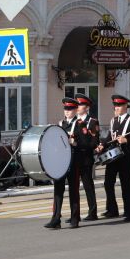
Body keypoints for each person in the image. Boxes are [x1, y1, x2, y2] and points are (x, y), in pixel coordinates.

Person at [46, 98, 91, 229]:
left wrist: (75, 143)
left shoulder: (80, 124)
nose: (67, 112)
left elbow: (87, 143)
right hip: (61, 162)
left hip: (74, 161)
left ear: (76, 110)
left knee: (73, 190)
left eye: (70, 109)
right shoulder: (60, 124)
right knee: (58, 190)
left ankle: (75, 218)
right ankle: (55, 218)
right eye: (66, 109)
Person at [97, 95, 130, 221]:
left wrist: (126, 139)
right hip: (114, 157)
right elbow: (110, 136)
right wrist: (102, 144)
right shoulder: (113, 120)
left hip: (126, 157)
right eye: (115, 106)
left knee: (127, 185)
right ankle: (112, 209)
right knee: (108, 183)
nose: (116, 108)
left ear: (125, 106)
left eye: (119, 106)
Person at [74, 93, 100, 221]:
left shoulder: (92, 122)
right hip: (73, 158)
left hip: (85, 158)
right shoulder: (73, 121)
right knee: (74, 187)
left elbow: (94, 141)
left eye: (80, 105)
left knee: (87, 185)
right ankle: (75, 214)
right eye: (77, 105)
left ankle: (92, 212)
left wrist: (81, 144)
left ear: (87, 107)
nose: (77, 107)